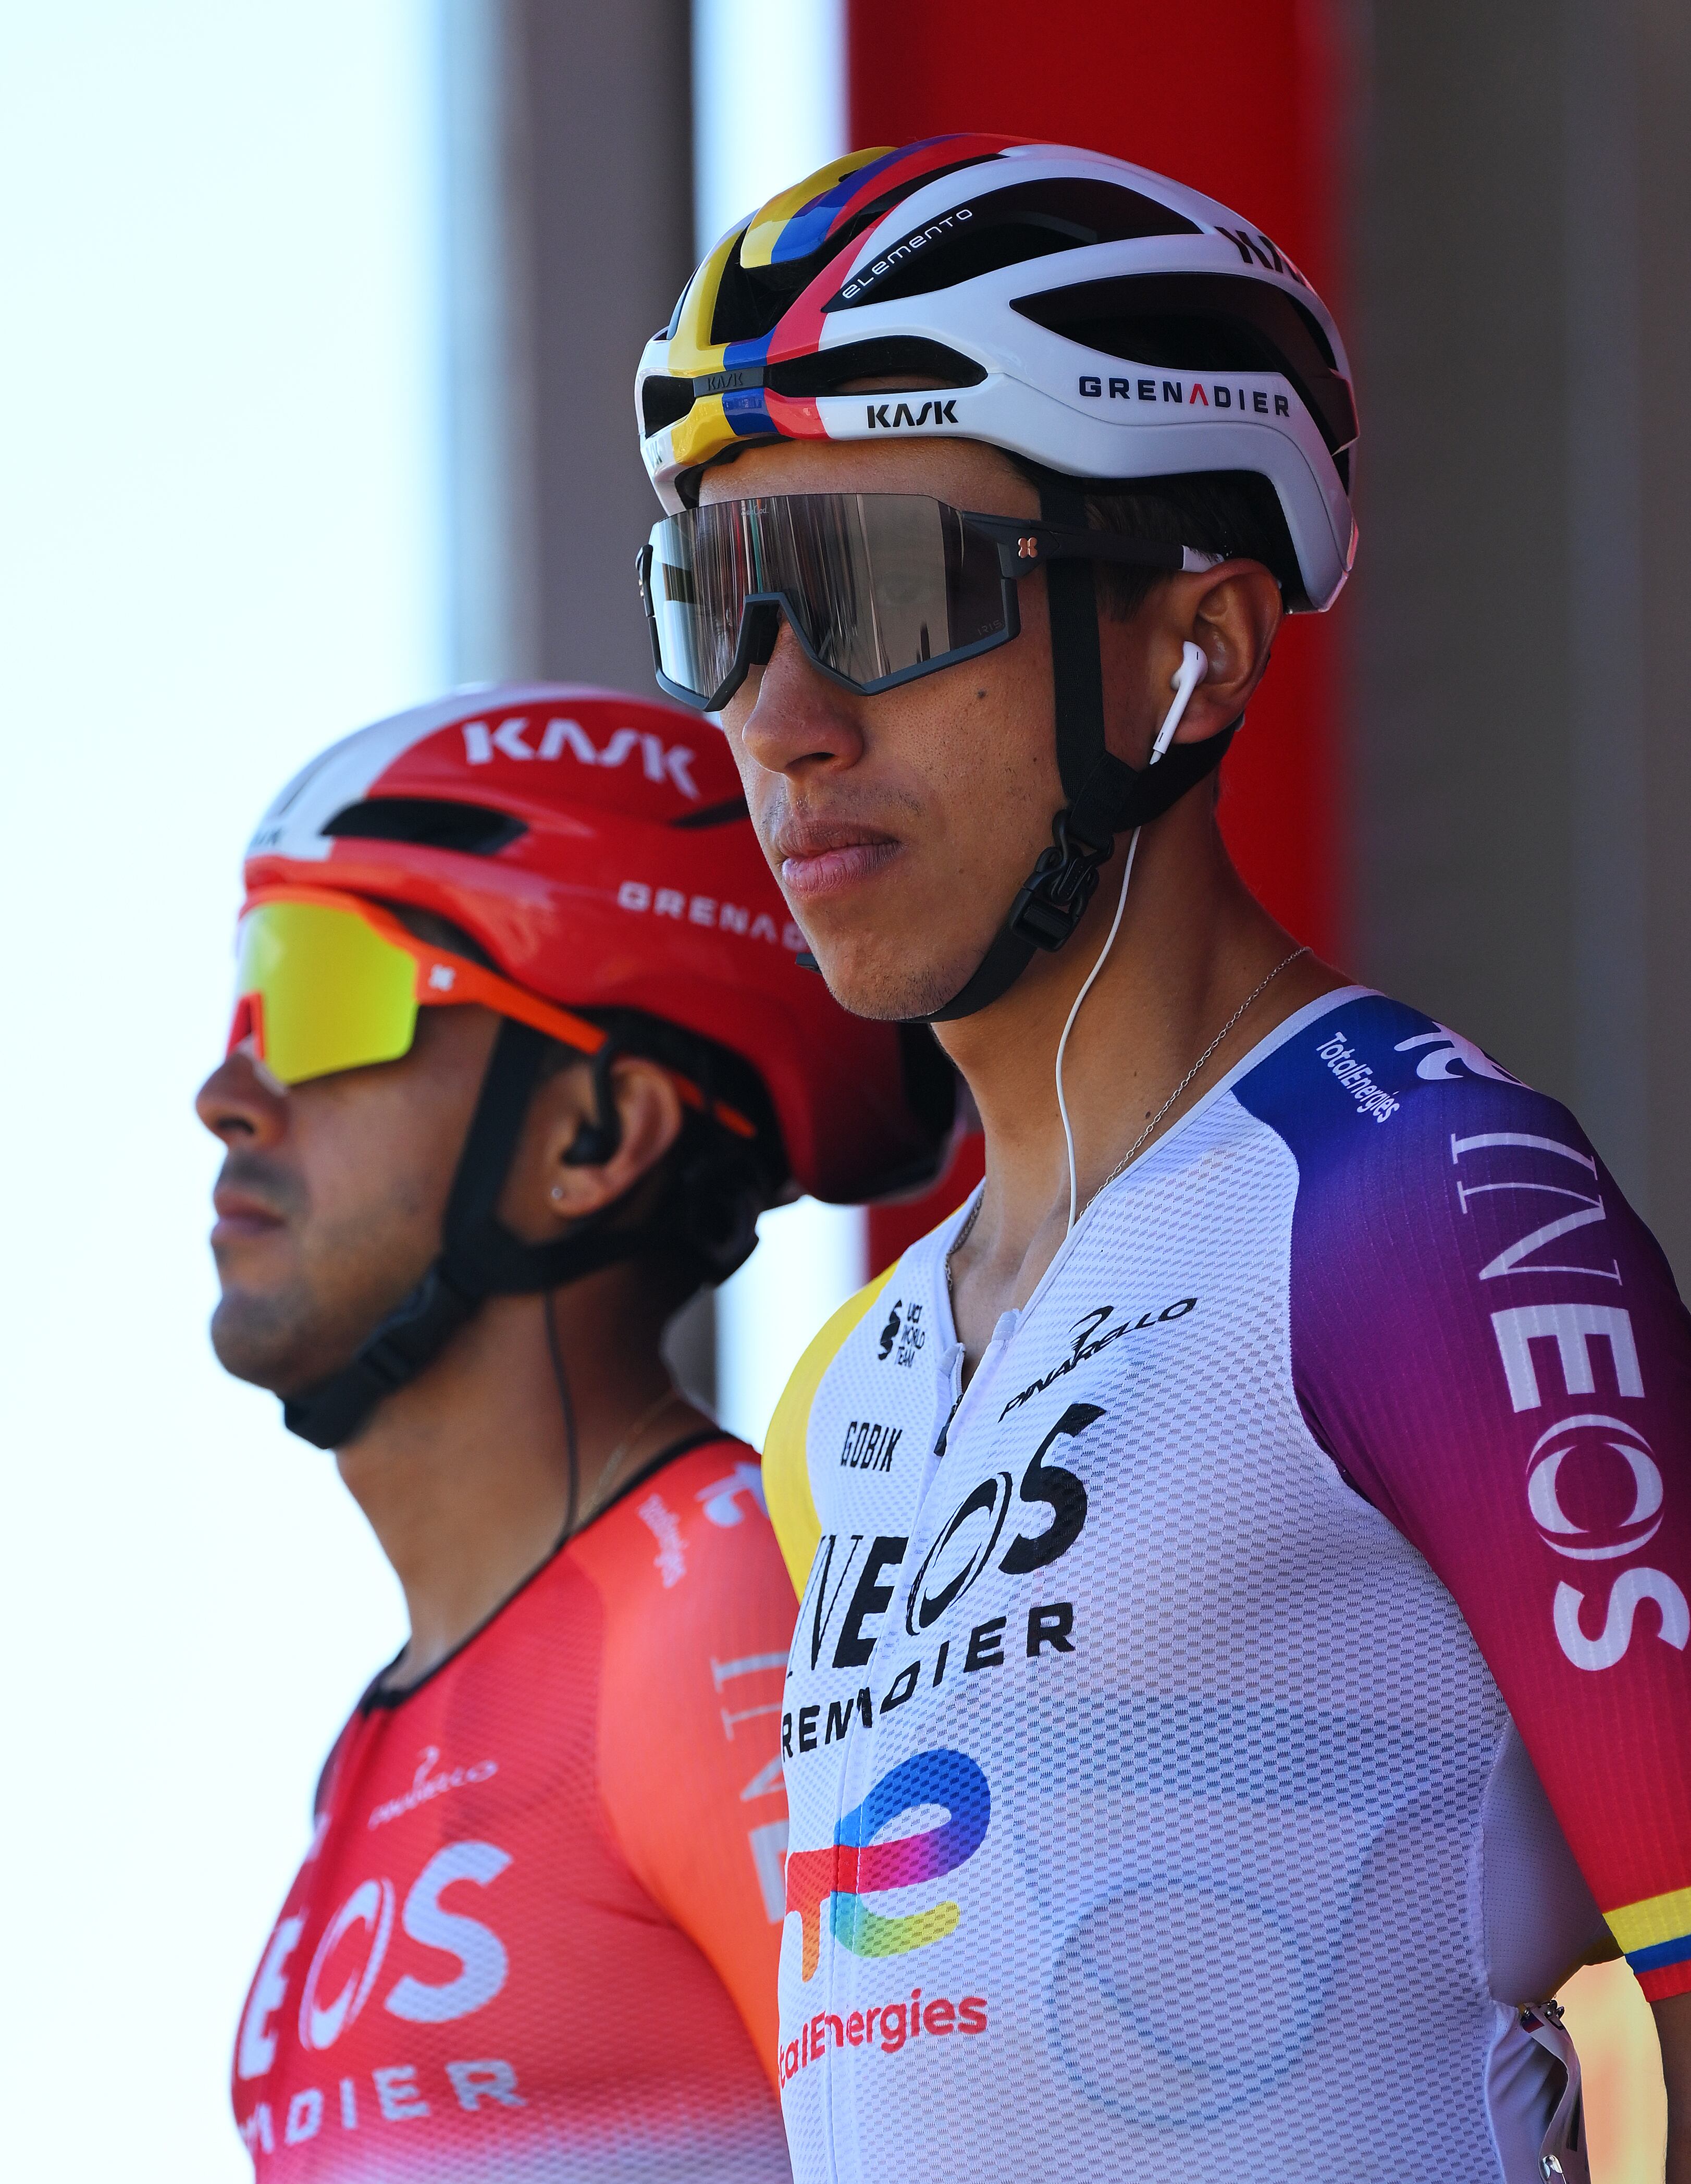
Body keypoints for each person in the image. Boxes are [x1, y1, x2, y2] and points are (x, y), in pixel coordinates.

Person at [632, 137, 1691, 2181]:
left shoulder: (1427, 1210)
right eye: (723, 604)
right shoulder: (839, 1392)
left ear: (1189, 643)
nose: (777, 716)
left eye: (867, 589)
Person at [201, 682, 954, 2178]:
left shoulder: (724, 1613)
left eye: (326, 995)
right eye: (247, 991)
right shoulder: (397, 1729)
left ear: (596, 1138)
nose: (229, 1091)